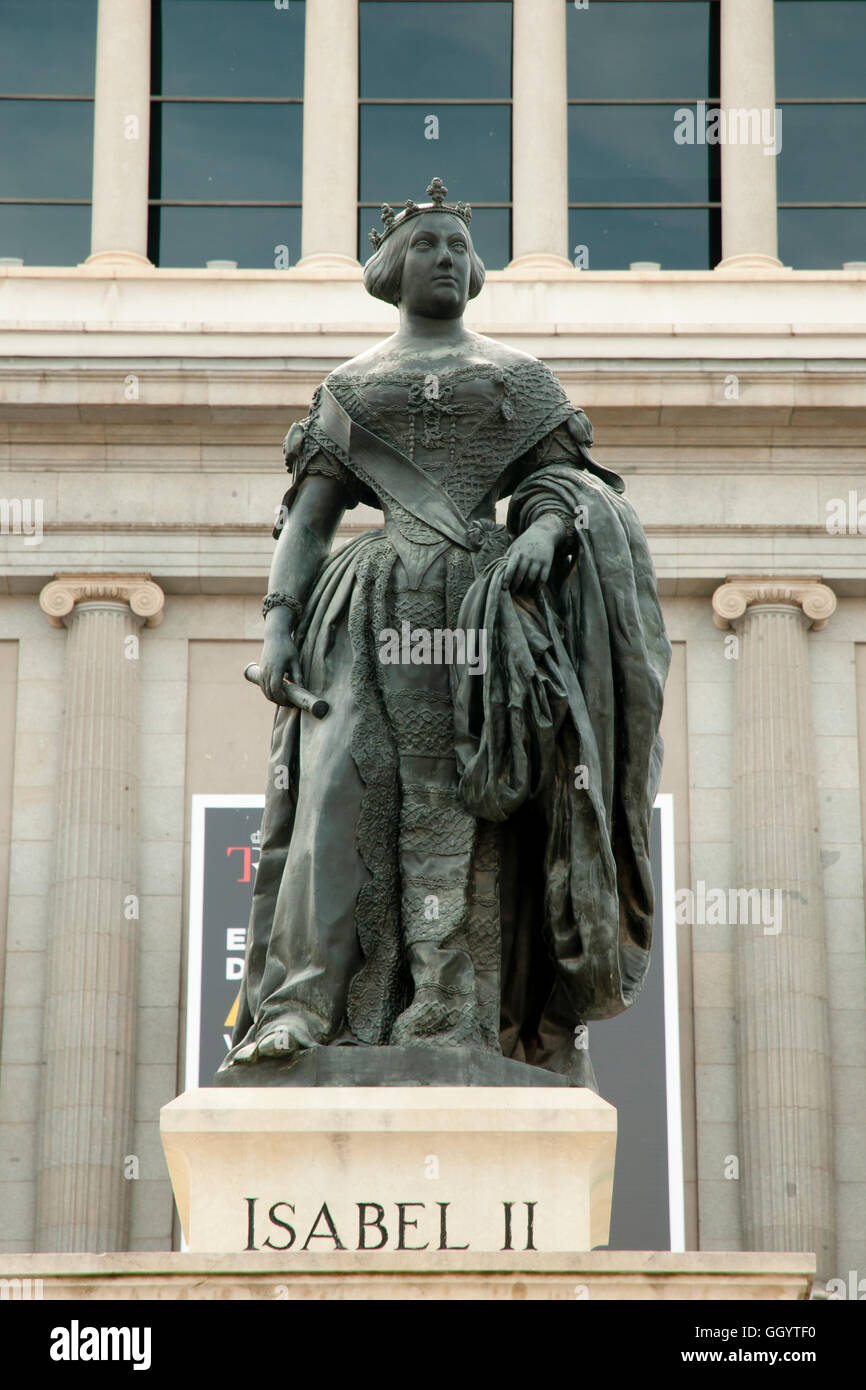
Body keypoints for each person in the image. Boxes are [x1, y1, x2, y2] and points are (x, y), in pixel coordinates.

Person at [220, 180, 670, 1086]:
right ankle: (305, 1009)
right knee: (340, 797)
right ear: (391, 268)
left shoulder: (517, 379)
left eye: (460, 248)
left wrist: (545, 529)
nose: (447, 260)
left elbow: (573, 489)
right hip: (368, 609)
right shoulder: (348, 389)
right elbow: (306, 525)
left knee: (477, 809)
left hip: (484, 616)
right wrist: (276, 631)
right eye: (427, 245)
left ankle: (463, 1015)